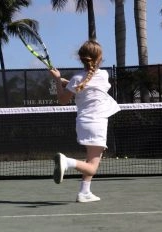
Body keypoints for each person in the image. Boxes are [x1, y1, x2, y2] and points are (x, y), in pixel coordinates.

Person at [49, 40, 120, 203]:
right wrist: (63, 82)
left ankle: (84, 192)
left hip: (83, 123)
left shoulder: (76, 80)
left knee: (91, 158)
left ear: (81, 58)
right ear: (99, 59)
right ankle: (67, 162)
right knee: (93, 166)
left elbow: (62, 99)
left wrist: (58, 80)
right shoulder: (103, 75)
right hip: (97, 123)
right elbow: (88, 85)